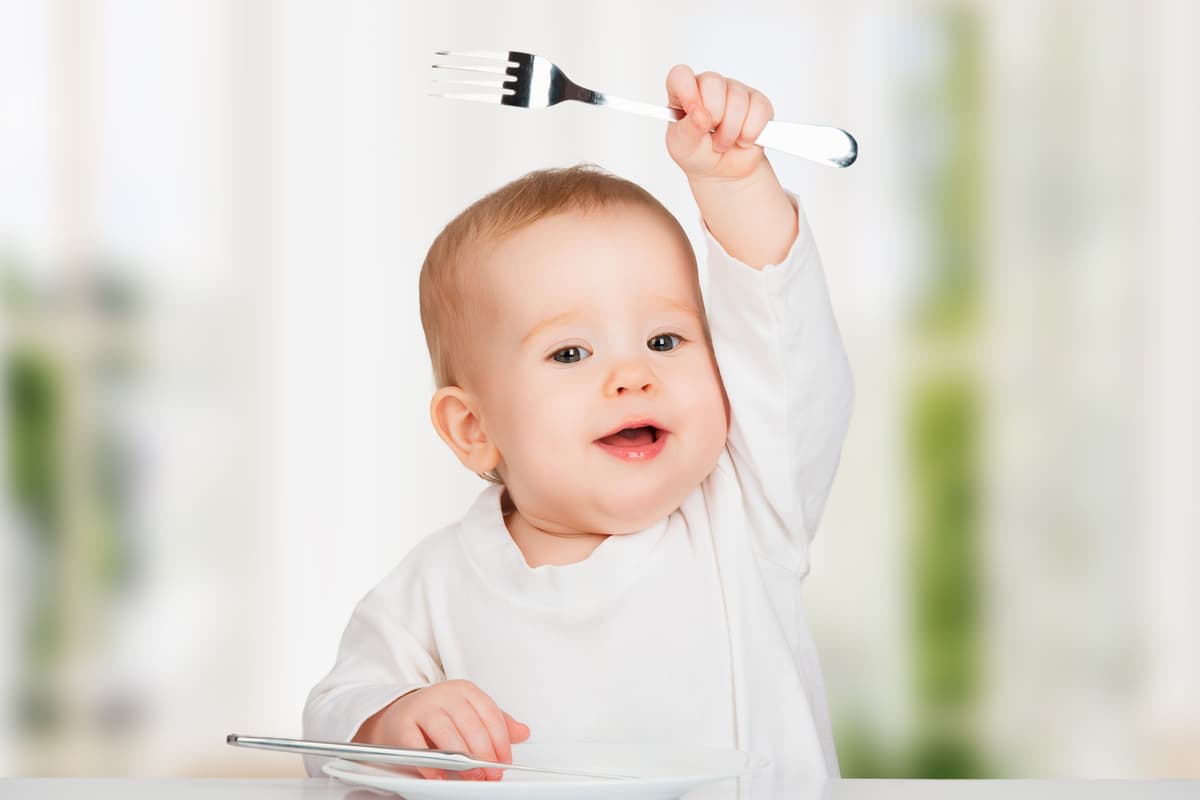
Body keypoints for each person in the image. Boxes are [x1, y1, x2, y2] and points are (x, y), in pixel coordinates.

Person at [302, 64, 855, 795]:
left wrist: (734, 184)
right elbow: (331, 722)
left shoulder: (749, 510)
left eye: (665, 340)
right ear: (472, 427)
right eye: (570, 353)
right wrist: (392, 724)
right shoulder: (433, 588)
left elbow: (786, 349)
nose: (633, 375)